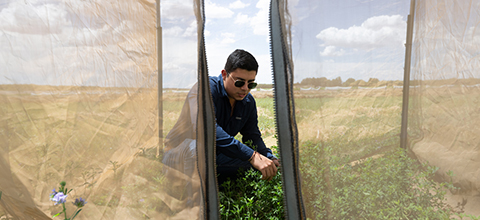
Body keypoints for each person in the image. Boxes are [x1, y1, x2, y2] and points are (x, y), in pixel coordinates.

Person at [211, 49, 280, 184]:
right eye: (239, 82)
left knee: (266, 167)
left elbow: (252, 136)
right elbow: (210, 131)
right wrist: (251, 155)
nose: (245, 88)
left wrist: (268, 157)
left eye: (251, 83)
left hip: (218, 155)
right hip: (188, 153)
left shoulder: (247, 102)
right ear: (224, 74)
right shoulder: (207, 90)